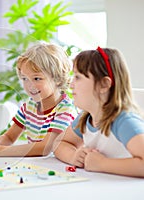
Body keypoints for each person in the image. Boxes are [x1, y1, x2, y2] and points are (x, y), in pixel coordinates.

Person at [53, 47, 144, 177]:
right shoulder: (85, 118)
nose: (71, 84)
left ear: (104, 85)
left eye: (78, 77)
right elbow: (59, 143)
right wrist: (73, 156)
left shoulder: (123, 121)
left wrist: (102, 164)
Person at [0, 43, 78, 157]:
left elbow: (44, 148)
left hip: (60, 168)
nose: (30, 85)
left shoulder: (65, 110)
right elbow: (9, 137)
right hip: (36, 167)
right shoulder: (29, 106)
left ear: (57, 78)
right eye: (25, 79)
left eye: (37, 78)